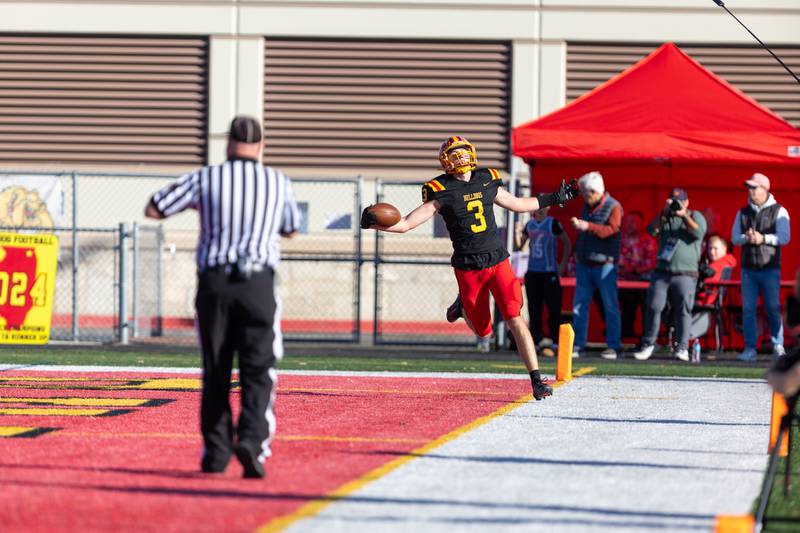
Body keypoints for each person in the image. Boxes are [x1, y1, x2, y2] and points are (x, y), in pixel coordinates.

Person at [360, 135, 578, 400]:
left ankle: (536, 380)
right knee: (484, 331)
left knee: (515, 317)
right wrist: (375, 224)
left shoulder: (486, 179)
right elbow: (406, 223)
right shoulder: (440, 189)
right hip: (468, 267)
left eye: (463, 152)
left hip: (498, 260)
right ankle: (463, 308)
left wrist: (554, 197)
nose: (460, 157)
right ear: (445, 161)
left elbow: (519, 204)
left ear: (472, 153)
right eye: (454, 154)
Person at [144, 115, 301, 478]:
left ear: (227, 144)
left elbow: (155, 208)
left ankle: (215, 454)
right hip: (257, 284)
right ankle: (252, 442)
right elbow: (291, 229)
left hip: (214, 283)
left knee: (216, 370)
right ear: (261, 147)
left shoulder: (206, 178)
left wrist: (205, 207)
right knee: (258, 368)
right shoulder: (278, 182)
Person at [633, 188, 707, 362]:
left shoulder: (695, 215)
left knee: (683, 310)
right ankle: (649, 344)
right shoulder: (665, 217)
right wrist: (663, 213)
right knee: (653, 306)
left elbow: (698, 233)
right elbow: (651, 231)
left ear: (687, 202)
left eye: (679, 201)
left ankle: (682, 348)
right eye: (673, 201)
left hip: (686, 273)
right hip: (662, 271)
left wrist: (683, 215)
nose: (676, 204)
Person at [731, 172, 791, 362]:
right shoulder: (742, 212)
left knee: (772, 307)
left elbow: (785, 237)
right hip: (748, 269)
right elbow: (734, 238)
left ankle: (778, 344)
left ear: (765, 189)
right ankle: (750, 349)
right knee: (748, 309)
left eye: (753, 187)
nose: (750, 191)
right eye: (749, 188)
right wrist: (747, 238)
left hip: (770, 269)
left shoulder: (779, 210)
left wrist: (763, 238)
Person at [569, 171, 623, 360]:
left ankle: (614, 345)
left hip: (605, 265)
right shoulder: (587, 206)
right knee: (579, 306)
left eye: (585, 192)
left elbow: (612, 230)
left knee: (610, 305)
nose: (583, 196)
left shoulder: (614, 207)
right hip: (585, 264)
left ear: (595, 192)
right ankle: (578, 344)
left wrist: (587, 226)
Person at [514, 206, 572, 354]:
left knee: (553, 308)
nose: (540, 210)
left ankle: (555, 340)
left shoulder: (553, 223)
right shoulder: (530, 225)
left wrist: (562, 264)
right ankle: (535, 340)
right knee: (534, 309)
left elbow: (567, 243)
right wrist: (517, 232)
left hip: (549, 272)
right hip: (533, 272)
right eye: (538, 207)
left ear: (548, 208)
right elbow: (519, 246)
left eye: (543, 207)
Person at [618, 211, 658, 338]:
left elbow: (652, 263)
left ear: (641, 224)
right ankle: (621, 332)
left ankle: (647, 337)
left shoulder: (648, 241)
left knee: (646, 304)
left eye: (633, 222)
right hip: (622, 282)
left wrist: (633, 269)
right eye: (628, 222)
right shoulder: (619, 240)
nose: (630, 225)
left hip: (642, 282)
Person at [695, 234, 737, 308]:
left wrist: (697, 299)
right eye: (710, 248)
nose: (711, 252)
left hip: (706, 301)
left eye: (715, 248)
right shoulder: (731, 262)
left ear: (724, 249)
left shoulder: (717, 265)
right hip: (724, 303)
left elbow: (708, 283)